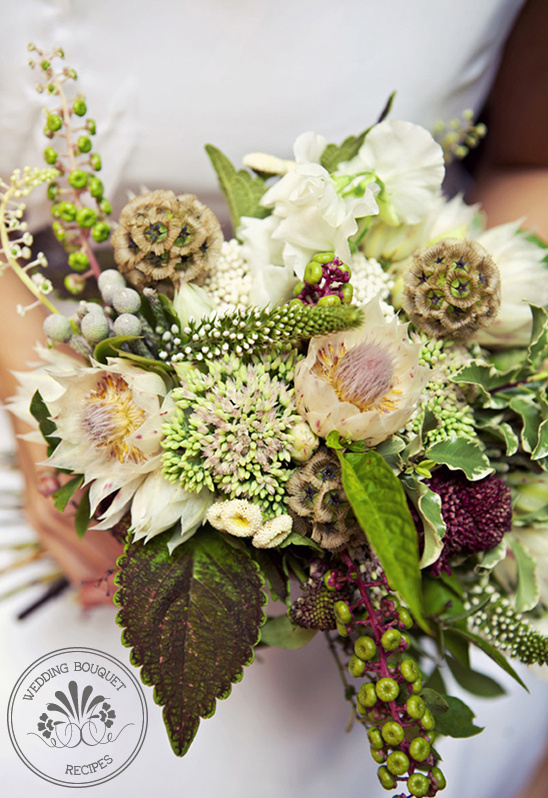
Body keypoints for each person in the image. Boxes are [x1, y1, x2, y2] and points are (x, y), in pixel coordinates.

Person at [1, 1, 548, 796]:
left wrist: (448, 386)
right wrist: (40, 383)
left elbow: (530, 161)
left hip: (411, 338)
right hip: (45, 335)